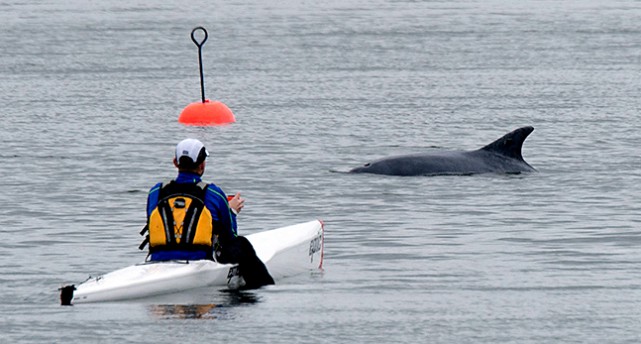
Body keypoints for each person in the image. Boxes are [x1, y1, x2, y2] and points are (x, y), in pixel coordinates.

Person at [140, 138, 274, 289]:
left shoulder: (155, 192)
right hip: (201, 260)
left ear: (175, 162)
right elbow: (230, 236)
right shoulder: (214, 193)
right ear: (202, 164)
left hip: (158, 258)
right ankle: (267, 288)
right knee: (241, 243)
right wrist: (232, 211)